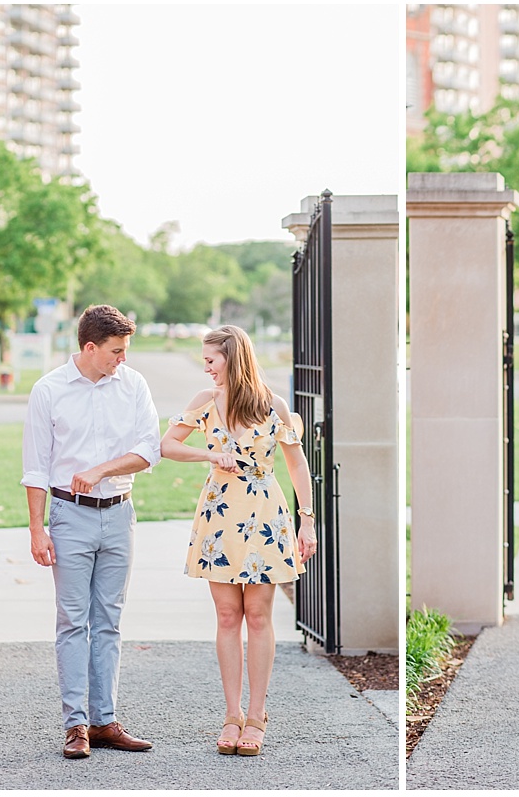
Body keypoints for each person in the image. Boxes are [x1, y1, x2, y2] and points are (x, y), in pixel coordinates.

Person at [160, 325, 317, 756]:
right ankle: (232, 713)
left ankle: (257, 714)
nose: (206, 365)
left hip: (265, 513)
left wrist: (308, 521)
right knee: (228, 616)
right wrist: (209, 454)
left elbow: (298, 467)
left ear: (232, 356)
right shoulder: (205, 401)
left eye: (211, 358)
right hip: (220, 514)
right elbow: (167, 445)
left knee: (259, 615)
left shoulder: (273, 406)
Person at [22, 305, 160, 759]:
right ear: (90, 347)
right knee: (72, 621)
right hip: (69, 516)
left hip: (120, 513)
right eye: (116, 351)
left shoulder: (133, 384)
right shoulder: (49, 391)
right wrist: (37, 530)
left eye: (125, 350)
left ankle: (105, 721)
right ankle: (76, 726)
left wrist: (101, 470)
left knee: (109, 622)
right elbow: (36, 468)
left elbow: (148, 448)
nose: (122, 358)